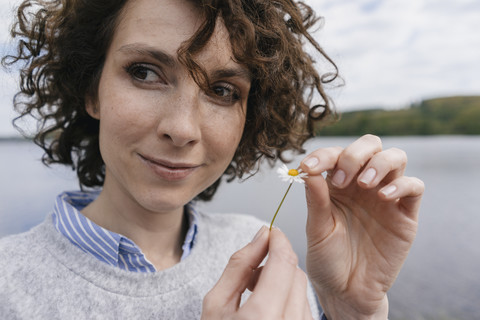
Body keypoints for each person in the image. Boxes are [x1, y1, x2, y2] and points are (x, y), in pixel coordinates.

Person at [0, 0, 424, 319]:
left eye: (223, 90)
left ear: (250, 116)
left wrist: (345, 309)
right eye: (145, 72)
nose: (183, 129)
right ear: (92, 89)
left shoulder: (258, 248)